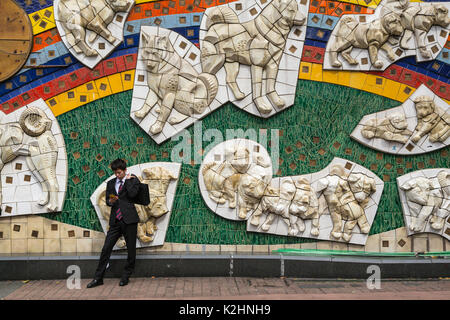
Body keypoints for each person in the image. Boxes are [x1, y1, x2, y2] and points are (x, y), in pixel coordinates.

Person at [87, 158, 140, 288]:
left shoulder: (133, 180)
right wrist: (111, 201)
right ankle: (98, 278)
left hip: (129, 220)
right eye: (115, 173)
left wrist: (127, 181)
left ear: (125, 170)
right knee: (106, 248)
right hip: (115, 221)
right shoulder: (111, 183)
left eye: (119, 172)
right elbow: (107, 201)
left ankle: (126, 276)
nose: (117, 175)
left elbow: (133, 195)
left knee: (131, 249)